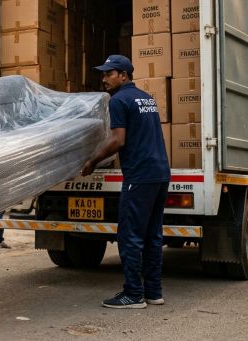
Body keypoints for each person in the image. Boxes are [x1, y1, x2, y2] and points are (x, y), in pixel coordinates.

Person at [81, 55, 170, 309]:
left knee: (130, 235)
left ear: (124, 75)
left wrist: (93, 161)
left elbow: (118, 140)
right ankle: (153, 292)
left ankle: (133, 293)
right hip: (160, 173)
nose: (104, 78)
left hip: (139, 176)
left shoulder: (119, 100)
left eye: (109, 74)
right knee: (152, 235)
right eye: (103, 74)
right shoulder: (146, 98)